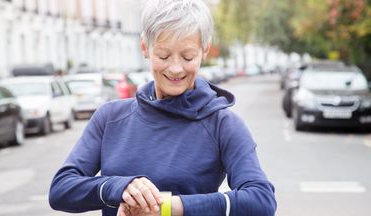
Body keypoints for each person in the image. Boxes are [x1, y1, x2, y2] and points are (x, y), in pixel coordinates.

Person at [48, 0, 277, 215]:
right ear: (145, 48)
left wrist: (166, 207)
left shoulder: (223, 124)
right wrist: (119, 188)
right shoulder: (109, 118)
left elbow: (261, 200)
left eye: (188, 56)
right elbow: (61, 189)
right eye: (163, 55)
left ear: (204, 51)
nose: (175, 68)